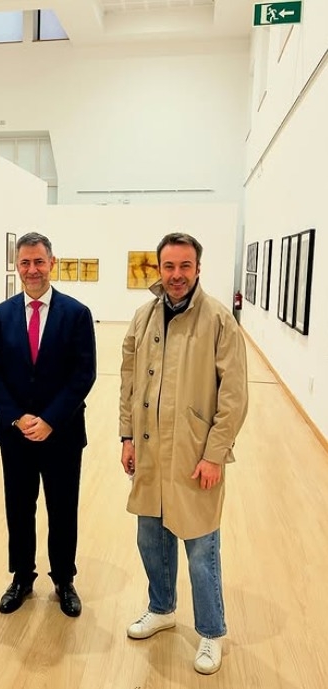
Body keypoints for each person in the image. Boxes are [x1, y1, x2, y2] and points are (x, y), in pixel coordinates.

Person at [119, 232, 248, 674]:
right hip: (150, 451)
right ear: (159, 268)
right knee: (150, 539)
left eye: (185, 266)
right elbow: (128, 381)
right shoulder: (143, 317)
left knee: (200, 548)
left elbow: (234, 396)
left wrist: (215, 454)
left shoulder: (218, 320)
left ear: (198, 268)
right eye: (169, 266)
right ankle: (162, 608)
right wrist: (126, 436)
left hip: (195, 457)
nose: (176, 275)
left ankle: (211, 631)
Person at [0, 232, 97, 617]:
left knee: (62, 510)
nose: (32, 269)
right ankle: (21, 577)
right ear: (18, 266)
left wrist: (50, 419)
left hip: (62, 434)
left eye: (39, 262)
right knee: (19, 508)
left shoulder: (76, 314)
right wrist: (16, 417)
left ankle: (64, 579)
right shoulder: (1, 314)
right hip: (15, 435)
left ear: (52, 263)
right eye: (25, 263)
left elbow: (83, 374)